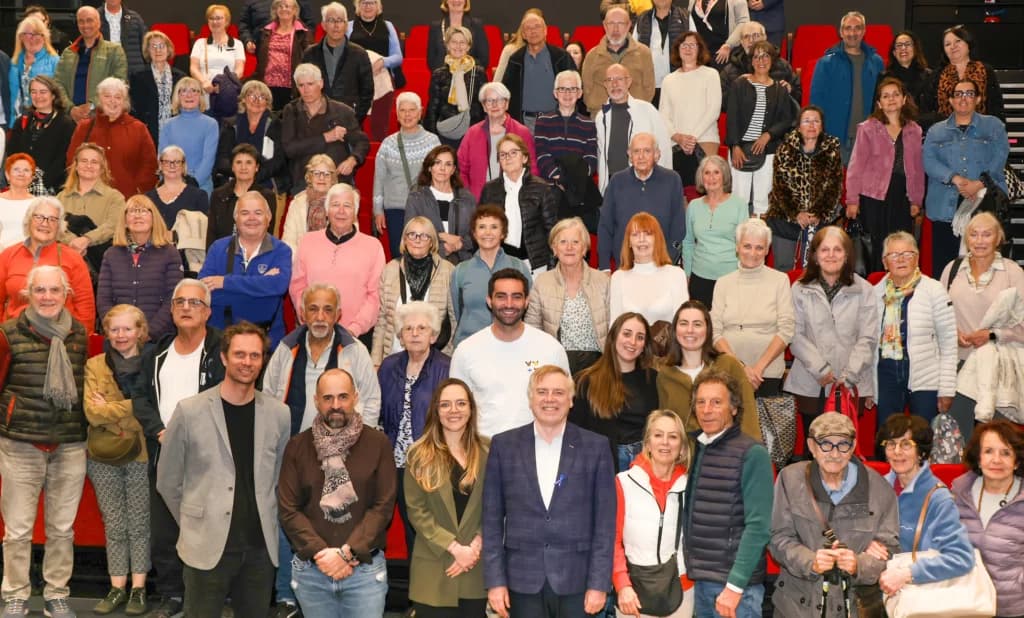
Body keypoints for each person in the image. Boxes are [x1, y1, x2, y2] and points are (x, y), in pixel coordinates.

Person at [262, 282, 381, 616]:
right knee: (290, 520)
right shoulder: (286, 348)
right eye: (313, 308)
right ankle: (287, 595)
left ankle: (341, 587)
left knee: (337, 519)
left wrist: (356, 447)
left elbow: (370, 400)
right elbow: (270, 394)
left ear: (338, 314)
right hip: (294, 454)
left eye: (328, 309)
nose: (320, 316)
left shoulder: (353, 350)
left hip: (341, 454)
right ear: (302, 312)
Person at [157, 322, 290, 617]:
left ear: (263, 360)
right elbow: (168, 481)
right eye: (240, 354)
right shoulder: (189, 411)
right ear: (224, 357)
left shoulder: (280, 414)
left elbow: (279, 478)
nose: (247, 362)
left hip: (259, 550)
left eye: (255, 356)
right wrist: (195, 522)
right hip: (204, 546)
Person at [483, 365, 615, 618]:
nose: (550, 399)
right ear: (531, 399)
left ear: (571, 400)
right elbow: (491, 522)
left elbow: (605, 524)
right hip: (521, 582)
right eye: (542, 392)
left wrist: (599, 584)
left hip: (578, 581)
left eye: (558, 392)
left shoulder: (596, 447)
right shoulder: (503, 446)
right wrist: (495, 582)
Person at [0, 265, 89, 618]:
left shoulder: (79, 334)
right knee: (18, 530)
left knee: (62, 529)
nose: (48, 297)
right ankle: (16, 593)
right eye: (40, 290)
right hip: (20, 443)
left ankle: (56, 594)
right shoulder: (7, 333)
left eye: (54, 290)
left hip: (69, 444)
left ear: (66, 293)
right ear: (28, 294)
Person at [135, 279, 225, 618]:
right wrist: (159, 431)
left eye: (195, 303)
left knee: (207, 529)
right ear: (171, 310)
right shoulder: (156, 353)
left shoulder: (221, 350)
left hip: (208, 456)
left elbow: (228, 396)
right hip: (163, 455)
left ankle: (207, 596)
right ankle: (172, 595)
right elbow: (141, 399)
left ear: (208, 312)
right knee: (165, 532)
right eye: (180, 302)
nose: (187, 308)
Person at [277, 368, 396, 617]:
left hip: (364, 573)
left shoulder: (378, 444)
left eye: (343, 397)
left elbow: (383, 506)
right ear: (316, 401)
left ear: (355, 397)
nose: (335, 405)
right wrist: (323, 554)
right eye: (328, 398)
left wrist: (347, 552)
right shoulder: (297, 446)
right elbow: (288, 509)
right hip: (312, 571)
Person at [769, 412, 899, 618]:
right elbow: (778, 538)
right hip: (796, 605)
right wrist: (809, 561)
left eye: (843, 444)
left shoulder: (879, 489)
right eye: (825, 444)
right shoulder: (790, 479)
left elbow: (890, 549)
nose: (835, 453)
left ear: (854, 446)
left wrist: (859, 564)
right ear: (811, 446)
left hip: (854, 607)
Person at [683, 370, 773, 617]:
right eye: (700, 402)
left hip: (736, 590)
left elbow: (759, 526)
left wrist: (735, 586)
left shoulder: (753, 454)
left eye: (716, 402)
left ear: (734, 408)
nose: (707, 409)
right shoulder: (700, 447)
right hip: (703, 581)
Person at [84, 305, 152, 616]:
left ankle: (138, 589)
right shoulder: (95, 365)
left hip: (140, 453)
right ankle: (116, 587)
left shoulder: (154, 362)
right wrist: (131, 406)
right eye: (114, 330)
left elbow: (154, 411)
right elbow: (92, 412)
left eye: (128, 329)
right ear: (106, 333)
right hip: (103, 455)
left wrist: (115, 406)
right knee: (114, 524)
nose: (121, 335)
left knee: (139, 524)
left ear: (140, 330)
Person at [404, 377, 489, 617]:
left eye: (461, 403)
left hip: (475, 567)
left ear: (471, 409)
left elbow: (497, 507)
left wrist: (474, 547)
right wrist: (455, 548)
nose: (454, 410)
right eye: (445, 404)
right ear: (436, 411)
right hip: (434, 569)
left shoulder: (489, 451)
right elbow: (416, 511)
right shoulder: (418, 455)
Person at [786, 226, 879, 442]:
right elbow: (794, 334)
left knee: (845, 448)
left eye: (837, 250)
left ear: (847, 255)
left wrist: (849, 375)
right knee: (816, 447)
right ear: (815, 256)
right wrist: (820, 369)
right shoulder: (799, 289)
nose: (831, 255)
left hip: (851, 382)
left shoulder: (864, 289)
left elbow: (868, 338)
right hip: (811, 381)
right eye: (824, 250)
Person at [451, 270, 570, 437]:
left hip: (538, 445)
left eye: (516, 296)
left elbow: (565, 401)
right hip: (485, 449)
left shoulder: (551, 348)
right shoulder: (466, 350)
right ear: (489, 301)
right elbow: (456, 407)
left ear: (526, 301)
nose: (509, 304)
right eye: (501, 296)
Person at [939, 212, 1024, 441]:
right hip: (958, 365)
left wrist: (992, 335)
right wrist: (952, 333)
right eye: (974, 234)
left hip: (998, 369)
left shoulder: (1013, 273)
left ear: (998, 239)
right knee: (959, 439)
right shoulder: (952, 269)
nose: (980, 240)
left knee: (995, 441)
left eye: (987, 234)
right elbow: (937, 316)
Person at [378, 302, 452, 547]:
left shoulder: (447, 367)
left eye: (422, 328)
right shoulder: (389, 367)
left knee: (431, 528)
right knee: (409, 527)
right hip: (396, 462)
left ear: (433, 335)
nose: (415, 333)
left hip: (432, 461)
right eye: (408, 328)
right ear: (400, 336)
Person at [876, 415, 976, 596]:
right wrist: (867, 543)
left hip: (915, 595)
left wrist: (909, 573)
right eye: (891, 444)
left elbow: (961, 557)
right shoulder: (877, 488)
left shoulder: (938, 498)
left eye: (906, 444)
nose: (897, 451)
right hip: (877, 592)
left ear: (921, 451)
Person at [612, 410, 693, 618]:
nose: (665, 442)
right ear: (647, 443)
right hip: (633, 593)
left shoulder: (691, 487)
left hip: (682, 591)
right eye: (658, 435)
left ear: (682, 448)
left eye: (673, 436)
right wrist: (622, 584)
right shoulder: (623, 483)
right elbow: (611, 540)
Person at [923, 78, 1008, 272]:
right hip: (945, 207)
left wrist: (979, 183)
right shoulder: (936, 131)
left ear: (978, 99)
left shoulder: (994, 126)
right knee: (945, 268)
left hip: (984, 203)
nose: (964, 98)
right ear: (951, 100)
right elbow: (929, 161)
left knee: (987, 266)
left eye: (969, 94)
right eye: (958, 94)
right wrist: (955, 179)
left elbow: (1000, 156)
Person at [873, 232, 957, 428]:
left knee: (924, 441)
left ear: (917, 258)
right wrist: (870, 388)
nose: (901, 259)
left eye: (908, 254)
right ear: (885, 263)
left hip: (926, 380)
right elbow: (869, 344)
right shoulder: (875, 293)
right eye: (894, 255)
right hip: (887, 378)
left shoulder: (934, 290)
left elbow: (949, 342)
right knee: (888, 440)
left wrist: (946, 389)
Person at [845, 77, 925, 273]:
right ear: (879, 103)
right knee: (875, 244)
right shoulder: (868, 128)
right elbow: (856, 167)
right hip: (873, 196)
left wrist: (916, 200)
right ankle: (874, 287)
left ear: (904, 99)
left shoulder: (914, 130)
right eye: (886, 96)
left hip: (902, 195)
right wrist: (852, 200)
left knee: (900, 245)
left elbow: (917, 168)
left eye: (896, 94)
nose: (891, 99)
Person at [289, 183, 384, 345]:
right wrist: (310, 319)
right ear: (326, 211)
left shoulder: (373, 246)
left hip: (356, 338)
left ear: (355, 212)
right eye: (335, 205)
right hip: (314, 333)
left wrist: (353, 330)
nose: (341, 211)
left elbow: (375, 295)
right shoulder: (307, 241)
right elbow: (297, 287)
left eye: (347, 206)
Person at [711, 218, 795, 400]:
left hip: (767, 374)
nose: (753, 253)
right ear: (737, 247)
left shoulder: (780, 280)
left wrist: (758, 369)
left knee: (765, 429)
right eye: (747, 246)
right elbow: (715, 332)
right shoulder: (723, 283)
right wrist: (740, 369)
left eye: (759, 247)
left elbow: (787, 328)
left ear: (767, 250)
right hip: (729, 373)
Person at [658, 300, 762, 440]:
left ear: (707, 330)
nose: (690, 330)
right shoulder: (665, 374)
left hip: (726, 453)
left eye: (697, 324)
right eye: (683, 323)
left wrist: (750, 455)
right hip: (683, 457)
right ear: (675, 330)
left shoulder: (728, 365)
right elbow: (664, 424)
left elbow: (748, 416)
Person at [199, 191, 292, 346]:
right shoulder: (218, 248)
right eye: (245, 213)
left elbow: (278, 287)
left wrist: (225, 283)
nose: (252, 218)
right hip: (220, 341)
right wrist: (262, 284)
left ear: (268, 218)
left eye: (258, 213)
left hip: (267, 342)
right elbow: (204, 294)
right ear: (235, 218)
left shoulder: (281, 250)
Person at [951, 420, 1024, 618]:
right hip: (967, 604)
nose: (996, 460)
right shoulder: (959, 492)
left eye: (1006, 453)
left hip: (1013, 607)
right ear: (978, 457)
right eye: (989, 451)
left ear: (1017, 461)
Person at [572, 312, 658, 471]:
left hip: (645, 462)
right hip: (604, 463)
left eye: (640, 337)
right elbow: (575, 432)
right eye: (626, 334)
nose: (633, 342)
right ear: (613, 337)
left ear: (644, 345)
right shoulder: (586, 381)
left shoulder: (653, 379)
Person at [526, 218, 610, 374]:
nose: (569, 247)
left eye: (576, 242)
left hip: (598, 366)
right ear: (554, 249)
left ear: (584, 249)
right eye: (563, 242)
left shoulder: (603, 281)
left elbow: (613, 327)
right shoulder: (542, 282)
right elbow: (532, 330)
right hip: (557, 364)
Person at [765, 105, 843, 271]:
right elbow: (780, 187)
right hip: (785, 219)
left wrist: (819, 212)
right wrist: (796, 214)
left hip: (819, 221)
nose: (811, 125)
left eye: (816, 121)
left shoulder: (832, 150)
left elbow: (834, 187)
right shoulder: (784, 149)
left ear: (822, 126)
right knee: (784, 270)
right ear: (799, 126)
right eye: (806, 121)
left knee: (815, 272)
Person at [0, 197, 95, 333]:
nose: (45, 224)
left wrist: (80, 344)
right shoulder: (8, 256)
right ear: (29, 220)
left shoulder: (73, 259)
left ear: (59, 226)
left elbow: (85, 306)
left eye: (52, 219)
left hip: (61, 339)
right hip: (15, 339)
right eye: (39, 217)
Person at [97, 195, 184, 342]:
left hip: (158, 339)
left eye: (144, 211)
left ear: (154, 218)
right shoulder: (111, 254)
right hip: (118, 340)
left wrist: (148, 333)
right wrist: (118, 331)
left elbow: (173, 298)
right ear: (124, 220)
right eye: (132, 211)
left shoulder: (169, 253)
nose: (138, 215)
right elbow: (104, 299)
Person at [725, 40, 796, 217]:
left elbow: (787, 119)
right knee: (738, 202)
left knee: (763, 203)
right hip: (740, 149)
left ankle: (760, 242)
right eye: (756, 56)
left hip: (769, 151)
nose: (761, 60)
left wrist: (768, 135)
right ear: (751, 61)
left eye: (765, 56)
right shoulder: (739, 84)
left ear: (772, 60)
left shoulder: (780, 89)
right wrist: (735, 146)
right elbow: (732, 117)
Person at [373, 218, 456, 364]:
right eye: (412, 234)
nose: (417, 240)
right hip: (394, 357)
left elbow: (454, 320)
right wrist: (376, 362)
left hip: (434, 360)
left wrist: (449, 358)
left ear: (432, 242)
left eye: (424, 236)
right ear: (404, 240)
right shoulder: (390, 269)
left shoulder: (448, 271)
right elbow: (382, 321)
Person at [808, 11, 885, 163]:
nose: (852, 33)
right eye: (848, 28)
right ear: (841, 32)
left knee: (865, 186)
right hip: (835, 137)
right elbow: (816, 102)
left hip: (868, 137)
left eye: (857, 28)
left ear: (864, 31)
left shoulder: (877, 62)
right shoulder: (826, 63)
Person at [450, 206, 531, 346]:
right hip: (469, 345)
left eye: (494, 227)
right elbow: (457, 312)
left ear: (503, 233)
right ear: (474, 233)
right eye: (482, 227)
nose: (487, 232)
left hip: (510, 344)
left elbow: (527, 308)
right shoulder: (460, 271)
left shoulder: (519, 267)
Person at [281, 63, 370, 190]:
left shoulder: (342, 111)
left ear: (321, 83)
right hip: (304, 182)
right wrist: (325, 138)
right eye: (301, 85)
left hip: (337, 181)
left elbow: (362, 142)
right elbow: (289, 149)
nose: (305, 90)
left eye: (310, 84)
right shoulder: (291, 110)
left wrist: (352, 160)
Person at [65, 77, 158, 199]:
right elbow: (72, 161)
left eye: (118, 97)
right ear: (99, 99)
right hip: (88, 199)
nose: (112, 101)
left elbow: (149, 166)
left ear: (125, 101)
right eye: (107, 96)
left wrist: (137, 192)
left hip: (126, 200)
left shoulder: (138, 128)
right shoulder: (84, 127)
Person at [599, 133, 682, 269]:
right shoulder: (616, 181)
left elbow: (678, 227)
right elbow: (605, 226)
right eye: (636, 151)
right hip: (625, 265)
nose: (641, 156)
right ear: (629, 155)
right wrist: (604, 266)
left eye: (647, 151)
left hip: (662, 264)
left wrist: (667, 260)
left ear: (657, 154)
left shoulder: (672, 180)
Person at [374, 92, 442, 258]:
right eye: (402, 110)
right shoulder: (388, 144)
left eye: (412, 110)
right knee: (399, 256)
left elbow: (441, 177)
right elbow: (379, 179)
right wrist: (378, 210)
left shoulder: (433, 142)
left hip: (424, 208)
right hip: (396, 210)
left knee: (427, 255)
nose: (407, 114)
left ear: (420, 113)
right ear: (397, 115)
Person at [479, 133, 559, 274]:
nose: (508, 157)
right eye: (503, 155)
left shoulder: (541, 188)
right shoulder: (489, 190)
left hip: (536, 264)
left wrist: (551, 268)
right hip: (499, 263)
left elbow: (552, 232)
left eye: (513, 153)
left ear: (525, 157)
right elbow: (479, 229)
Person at [681, 155, 749, 307]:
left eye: (716, 172)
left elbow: (744, 243)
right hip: (699, 278)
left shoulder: (739, 205)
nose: (711, 178)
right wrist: (687, 274)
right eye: (707, 173)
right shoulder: (693, 206)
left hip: (731, 277)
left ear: (724, 175)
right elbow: (688, 242)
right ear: (701, 177)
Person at [596, 64, 674, 194]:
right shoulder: (601, 116)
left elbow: (664, 148)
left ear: (629, 82)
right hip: (612, 184)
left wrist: (665, 183)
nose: (614, 84)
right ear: (605, 84)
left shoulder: (647, 110)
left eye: (619, 79)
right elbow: (601, 155)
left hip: (645, 181)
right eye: (609, 80)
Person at [532, 70, 599, 215]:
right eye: (562, 89)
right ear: (555, 93)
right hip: (550, 191)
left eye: (572, 89)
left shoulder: (588, 124)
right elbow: (542, 156)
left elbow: (591, 160)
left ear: (580, 93)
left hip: (579, 191)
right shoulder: (543, 121)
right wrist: (561, 179)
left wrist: (573, 180)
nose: (567, 94)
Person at [457, 81, 539, 198]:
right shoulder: (472, 133)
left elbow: (532, 168)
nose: (494, 105)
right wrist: (467, 195)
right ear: (484, 107)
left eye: (500, 100)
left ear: (507, 104)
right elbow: (460, 169)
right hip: (478, 202)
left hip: (514, 200)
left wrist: (526, 196)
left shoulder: (522, 132)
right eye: (489, 101)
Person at [659, 30, 723, 180]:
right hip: (675, 143)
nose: (688, 49)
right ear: (677, 49)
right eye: (684, 45)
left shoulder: (711, 74)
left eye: (692, 45)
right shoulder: (668, 80)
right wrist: (678, 137)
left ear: (700, 49)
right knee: (679, 193)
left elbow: (713, 110)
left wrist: (692, 138)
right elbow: (663, 114)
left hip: (705, 139)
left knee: (707, 188)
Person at [609, 212, 688, 330]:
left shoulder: (676, 275)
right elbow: (614, 327)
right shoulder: (618, 277)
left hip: (668, 348)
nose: (641, 240)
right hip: (631, 348)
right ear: (629, 242)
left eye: (648, 234)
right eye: (635, 235)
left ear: (657, 239)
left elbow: (683, 324)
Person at [57, 141, 126, 274]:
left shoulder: (115, 197)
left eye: (94, 162)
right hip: (65, 265)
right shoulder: (61, 197)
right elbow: (54, 225)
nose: (89, 165)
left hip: (102, 267)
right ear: (76, 166)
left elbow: (114, 225)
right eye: (84, 161)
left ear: (102, 168)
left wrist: (87, 239)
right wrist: (72, 241)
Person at [501, 12, 575, 131]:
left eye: (537, 26)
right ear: (523, 34)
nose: (533, 31)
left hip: (556, 121)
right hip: (524, 123)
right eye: (528, 28)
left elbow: (575, 88)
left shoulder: (561, 57)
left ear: (545, 30)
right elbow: (506, 92)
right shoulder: (515, 60)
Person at [300, 2, 374, 122]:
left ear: (346, 25)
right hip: (316, 121)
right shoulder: (310, 54)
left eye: (340, 20)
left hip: (349, 121)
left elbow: (367, 92)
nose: (336, 25)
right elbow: (302, 87)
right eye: (331, 20)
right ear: (323, 25)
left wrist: (355, 119)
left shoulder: (359, 54)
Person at [54, 6, 128, 124]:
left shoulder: (115, 51)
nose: (85, 25)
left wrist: (92, 105)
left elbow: (120, 82)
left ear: (99, 23)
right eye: (81, 21)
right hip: (70, 119)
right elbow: (58, 84)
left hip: (102, 118)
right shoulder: (68, 52)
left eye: (89, 20)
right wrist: (71, 109)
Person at [404, 144, 476, 264]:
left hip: (463, 263)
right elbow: (409, 233)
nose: (442, 168)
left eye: (448, 164)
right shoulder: (417, 198)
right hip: (428, 262)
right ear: (429, 167)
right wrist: (441, 239)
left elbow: (477, 233)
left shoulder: (467, 198)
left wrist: (460, 243)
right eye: (437, 163)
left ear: (453, 170)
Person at [6, 76, 77, 196]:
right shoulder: (22, 120)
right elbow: (12, 153)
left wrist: (42, 183)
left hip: (51, 187)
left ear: (53, 95)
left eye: (43, 92)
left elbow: (63, 159)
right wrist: (22, 179)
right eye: (33, 92)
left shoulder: (66, 124)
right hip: (20, 184)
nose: (38, 96)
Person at [214, 80, 288, 194]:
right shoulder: (230, 125)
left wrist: (252, 178)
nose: (256, 100)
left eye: (262, 97)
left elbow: (278, 160)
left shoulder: (277, 125)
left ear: (267, 102)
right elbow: (222, 160)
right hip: (234, 183)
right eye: (252, 95)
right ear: (243, 99)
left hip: (267, 184)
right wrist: (241, 175)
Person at [922, 25, 1004, 125]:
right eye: (947, 44)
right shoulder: (936, 75)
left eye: (958, 41)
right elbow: (927, 109)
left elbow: (996, 106)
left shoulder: (986, 70)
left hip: (981, 132)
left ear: (968, 43)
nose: (953, 46)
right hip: (946, 133)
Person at [581, 6, 656, 116]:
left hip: (637, 116)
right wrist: (599, 107)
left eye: (620, 23)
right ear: (605, 26)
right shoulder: (592, 56)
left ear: (629, 25)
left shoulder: (644, 53)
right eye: (611, 23)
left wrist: (636, 108)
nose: (615, 29)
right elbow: (587, 91)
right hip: (601, 116)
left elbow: (649, 89)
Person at [345, 0, 403, 141]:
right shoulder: (349, 27)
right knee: (356, 122)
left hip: (383, 79)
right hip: (356, 81)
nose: (368, 6)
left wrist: (383, 62)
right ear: (358, 6)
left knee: (379, 125)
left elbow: (398, 57)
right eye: (364, 2)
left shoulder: (388, 26)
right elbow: (344, 55)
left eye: (371, 2)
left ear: (378, 6)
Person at [423, 26, 487, 149]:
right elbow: (433, 107)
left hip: (472, 132)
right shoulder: (438, 74)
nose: (458, 46)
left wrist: (483, 134)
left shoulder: (478, 73)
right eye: (454, 42)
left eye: (462, 42)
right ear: (447, 45)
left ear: (468, 46)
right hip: (445, 132)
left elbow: (483, 106)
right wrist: (431, 137)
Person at [158, 77, 219, 195]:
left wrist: (192, 184)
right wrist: (172, 183)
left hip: (200, 187)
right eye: (184, 91)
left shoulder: (210, 124)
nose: (189, 95)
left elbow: (208, 159)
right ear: (178, 96)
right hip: (171, 185)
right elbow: (162, 157)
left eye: (194, 91)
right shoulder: (168, 125)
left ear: (200, 96)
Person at [208, 144, 277, 246]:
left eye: (249, 162)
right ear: (232, 167)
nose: (243, 167)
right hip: (221, 255)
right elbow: (211, 234)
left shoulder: (267, 197)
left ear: (256, 167)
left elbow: (267, 234)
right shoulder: (218, 195)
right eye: (238, 162)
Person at [720, 22, 800, 111]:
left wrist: (790, 91)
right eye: (746, 37)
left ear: (764, 38)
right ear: (741, 42)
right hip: (744, 121)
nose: (751, 40)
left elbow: (799, 96)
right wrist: (736, 89)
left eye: (756, 35)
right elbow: (721, 103)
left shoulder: (782, 66)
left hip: (777, 120)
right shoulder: (730, 70)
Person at [251, 0, 313, 111]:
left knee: (289, 121)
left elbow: (308, 58)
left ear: (295, 10)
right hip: (267, 85)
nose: (284, 9)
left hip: (291, 86)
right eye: (281, 6)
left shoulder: (303, 33)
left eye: (288, 6)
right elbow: (260, 57)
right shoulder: (265, 31)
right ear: (276, 10)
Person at [128, 30, 186, 146]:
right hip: (148, 132)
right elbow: (134, 108)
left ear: (168, 49)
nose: (157, 50)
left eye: (161, 46)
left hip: (176, 132)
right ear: (147, 51)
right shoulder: (137, 76)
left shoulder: (181, 77)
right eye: (153, 46)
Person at [189, 4, 246, 108]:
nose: (215, 22)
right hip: (205, 93)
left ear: (227, 21)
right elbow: (193, 68)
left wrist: (225, 85)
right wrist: (204, 82)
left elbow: (239, 70)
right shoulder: (200, 43)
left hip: (228, 94)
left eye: (219, 18)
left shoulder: (238, 44)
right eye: (211, 18)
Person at [633, 0, 689, 105]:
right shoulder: (642, 19)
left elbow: (695, 49)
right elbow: (633, 55)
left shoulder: (685, 17)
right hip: (648, 87)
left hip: (678, 85)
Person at [7, 16, 60, 125]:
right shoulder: (13, 64)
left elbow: (61, 94)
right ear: (21, 37)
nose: (33, 38)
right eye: (28, 34)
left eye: (37, 34)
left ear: (44, 37)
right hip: (16, 122)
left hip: (47, 122)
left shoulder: (55, 61)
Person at [279, 154, 336, 253]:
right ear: (309, 177)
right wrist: (304, 260)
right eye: (316, 173)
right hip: (301, 259)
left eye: (327, 174)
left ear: (333, 179)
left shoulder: (342, 202)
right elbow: (288, 241)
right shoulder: (297, 203)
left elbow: (350, 241)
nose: (321, 178)